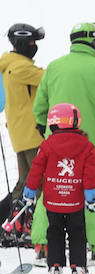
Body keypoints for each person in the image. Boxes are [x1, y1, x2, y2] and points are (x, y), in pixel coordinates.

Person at [32, 22, 95, 257]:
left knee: (52, 188)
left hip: (54, 141)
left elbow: (40, 107)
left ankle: (42, 243)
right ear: (94, 40)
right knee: (92, 190)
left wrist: (42, 123)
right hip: (87, 145)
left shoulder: (54, 67)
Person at [23, 103, 95, 274]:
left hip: (53, 201)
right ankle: (78, 267)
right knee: (77, 233)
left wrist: (30, 191)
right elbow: (89, 174)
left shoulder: (47, 145)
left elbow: (36, 170)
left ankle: (55, 268)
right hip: (75, 202)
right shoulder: (87, 146)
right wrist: (91, 196)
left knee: (55, 232)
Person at [1, 23, 45, 217]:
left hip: (22, 133)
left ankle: (10, 221)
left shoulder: (12, 64)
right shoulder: (20, 67)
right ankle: (18, 221)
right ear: (21, 43)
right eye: (32, 41)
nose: (34, 46)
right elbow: (49, 78)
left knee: (26, 181)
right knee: (41, 180)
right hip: (31, 133)